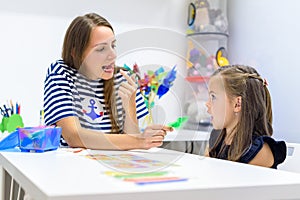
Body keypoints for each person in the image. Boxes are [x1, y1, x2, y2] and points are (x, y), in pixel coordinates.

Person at [43, 13, 172, 150]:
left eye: (113, 46)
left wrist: (130, 107)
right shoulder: (62, 72)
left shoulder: (123, 79)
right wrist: (139, 140)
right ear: (76, 53)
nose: (113, 55)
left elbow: (131, 143)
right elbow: (74, 136)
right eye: (101, 49)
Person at [205, 65, 286, 169]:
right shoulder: (217, 140)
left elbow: (229, 181)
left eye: (213, 97)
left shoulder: (259, 151)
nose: (207, 104)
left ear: (237, 104)